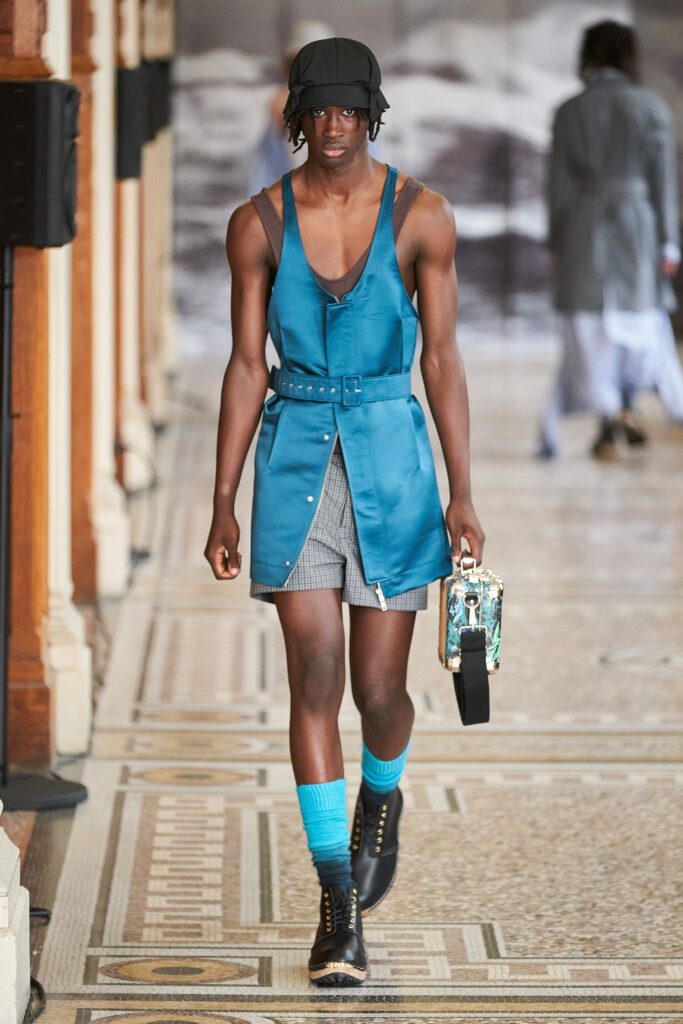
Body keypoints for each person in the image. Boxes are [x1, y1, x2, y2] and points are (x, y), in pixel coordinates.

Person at [204, 36, 484, 987]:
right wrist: (220, 501)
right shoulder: (256, 223)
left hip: (394, 467)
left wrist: (463, 495)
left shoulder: (423, 217)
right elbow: (247, 366)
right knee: (313, 680)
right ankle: (337, 909)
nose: (331, 129)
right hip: (291, 468)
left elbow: (441, 361)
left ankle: (382, 794)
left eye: (346, 112)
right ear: (295, 118)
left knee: (379, 694)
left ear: (371, 112)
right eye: (314, 113)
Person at [537, 19, 683, 460]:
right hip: (639, 225)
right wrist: (669, 243)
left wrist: (557, 245)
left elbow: (558, 187)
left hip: (583, 224)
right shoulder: (652, 107)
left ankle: (607, 419)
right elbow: (663, 182)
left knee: (590, 326)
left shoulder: (570, 111)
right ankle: (626, 406)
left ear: (589, 55)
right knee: (639, 322)